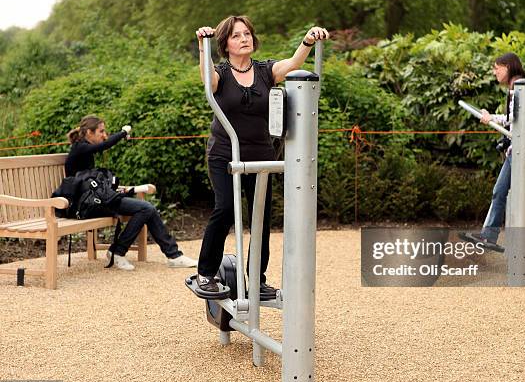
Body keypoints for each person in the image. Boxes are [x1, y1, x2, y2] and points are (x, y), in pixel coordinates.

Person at [195, 16, 329, 294]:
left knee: (260, 217)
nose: (244, 39)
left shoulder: (266, 70)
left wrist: (308, 40)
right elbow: (208, 78)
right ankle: (206, 274)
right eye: (236, 36)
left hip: (261, 156)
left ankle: (257, 279)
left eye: (247, 34)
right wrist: (202, 45)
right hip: (224, 154)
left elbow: (293, 64)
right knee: (225, 210)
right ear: (225, 44)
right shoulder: (220, 73)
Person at [65, 115, 198, 270]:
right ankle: (119, 252)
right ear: (89, 132)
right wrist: (122, 133)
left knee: (146, 208)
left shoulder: (83, 148)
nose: (104, 135)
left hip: (95, 200)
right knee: (146, 208)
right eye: (101, 131)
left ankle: (174, 256)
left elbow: (93, 183)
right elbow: (104, 146)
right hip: (86, 205)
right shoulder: (80, 148)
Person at [460, 53, 525, 259]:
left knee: (499, 191)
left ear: (508, 67)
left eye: (497, 67)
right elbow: (514, 120)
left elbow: (517, 122)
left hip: (521, 150)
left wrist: (491, 119)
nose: (494, 72)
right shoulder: (517, 88)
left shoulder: (519, 88)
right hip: (522, 149)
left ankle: (489, 235)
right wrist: (490, 118)